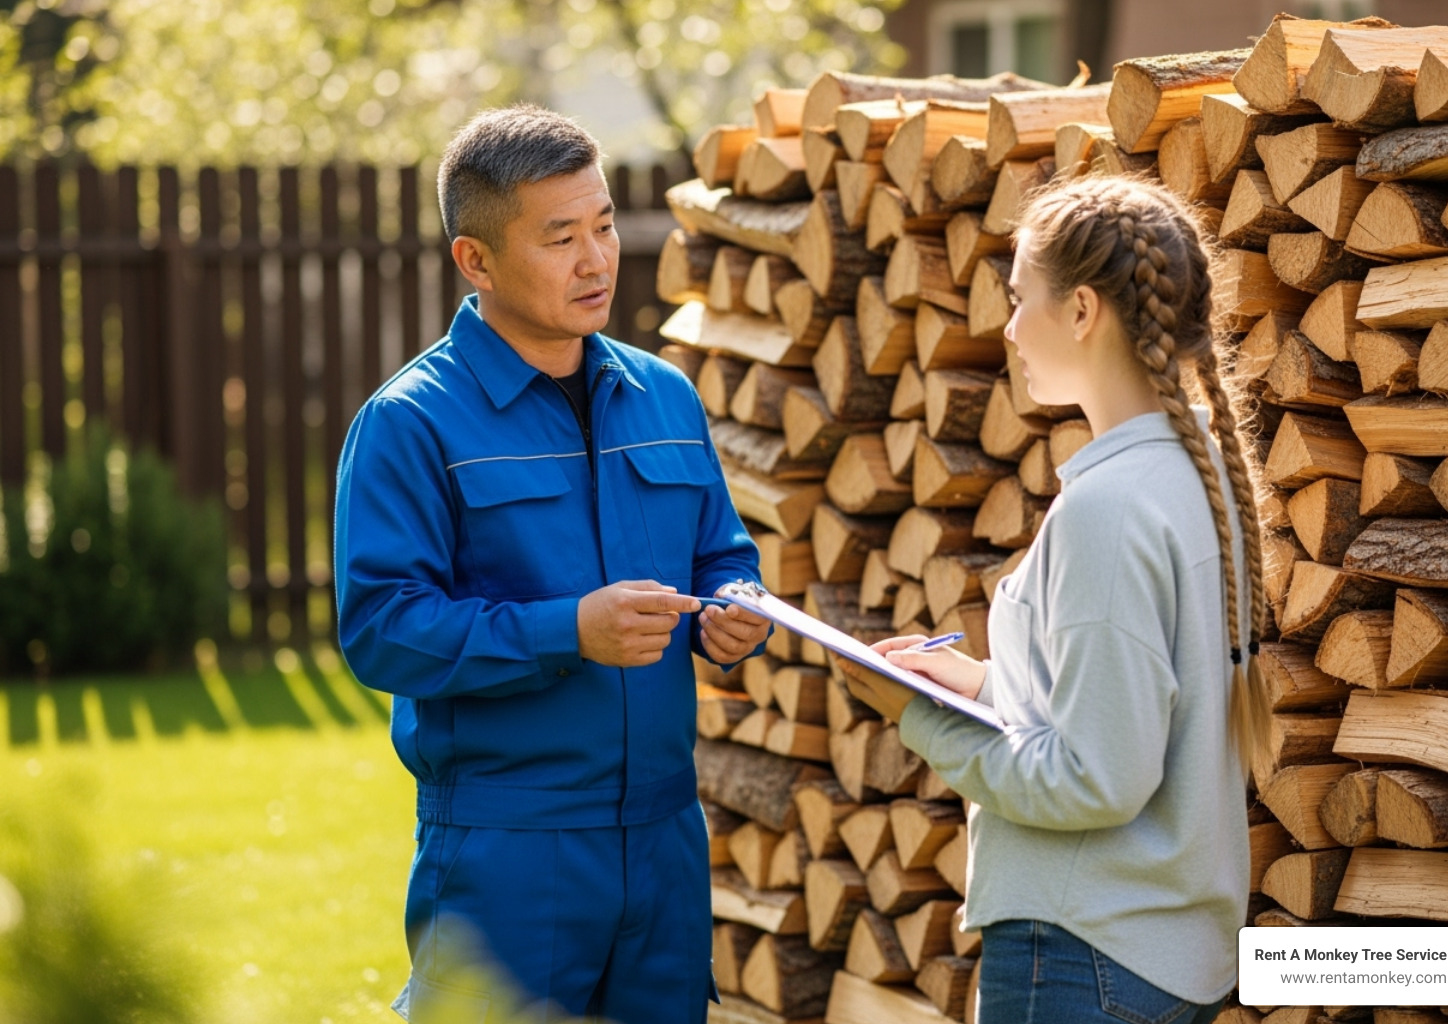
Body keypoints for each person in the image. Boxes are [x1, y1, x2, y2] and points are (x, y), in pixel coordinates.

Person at [333, 105, 771, 1024]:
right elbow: (382, 632)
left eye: (605, 225)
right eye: (560, 237)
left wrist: (738, 609)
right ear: (476, 261)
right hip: (506, 850)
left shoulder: (663, 395)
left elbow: (722, 553)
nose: (597, 259)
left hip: (664, 840)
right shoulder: (411, 423)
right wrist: (568, 631)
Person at [841, 174, 1267, 1024]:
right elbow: (1126, 713)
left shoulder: (1109, 508)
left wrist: (917, 716)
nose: (1006, 327)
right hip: (1160, 955)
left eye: (1019, 297)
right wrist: (983, 689)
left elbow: (1094, 780)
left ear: (1081, 312)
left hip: (1086, 956)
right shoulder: (1201, 474)